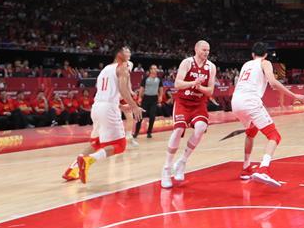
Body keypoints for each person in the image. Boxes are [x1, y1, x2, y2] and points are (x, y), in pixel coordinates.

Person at [232, 42, 304, 187]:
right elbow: (273, 83)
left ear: (252, 54)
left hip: (236, 102)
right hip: (250, 101)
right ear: (266, 54)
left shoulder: (246, 65)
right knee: (274, 136)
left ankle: (246, 168)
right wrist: (294, 96)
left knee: (250, 132)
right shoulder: (265, 63)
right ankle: (263, 169)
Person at [62, 46, 142, 183]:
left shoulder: (105, 69)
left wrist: (120, 106)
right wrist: (134, 106)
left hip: (97, 107)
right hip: (108, 109)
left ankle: (72, 170)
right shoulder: (123, 67)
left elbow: (104, 93)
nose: (129, 53)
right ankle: (88, 160)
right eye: (126, 51)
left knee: (96, 143)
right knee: (120, 145)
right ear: (119, 54)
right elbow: (123, 89)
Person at [161, 41, 216, 189]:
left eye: (208, 50)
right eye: (204, 50)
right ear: (196, 49)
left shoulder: (211, 67)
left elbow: (210, 91)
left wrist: (200, 87)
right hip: (183, 102)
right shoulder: (187, 63)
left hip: (199, 103)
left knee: (201, 127)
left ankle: (182, 161)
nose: (206, 52)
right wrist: (193, 83)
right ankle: (166, 168)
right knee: (178, 129)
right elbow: (177, 84)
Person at [134, 65, 163, 139]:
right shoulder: (146, 78)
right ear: (150, 70)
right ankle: (136, 133)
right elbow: (141, 88)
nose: (155, 70)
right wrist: (140, 97)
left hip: (154, 99)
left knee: (152, 116)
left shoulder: (159, 79)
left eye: (156, 69)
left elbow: (161, 88)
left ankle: (149, 132)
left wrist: (160, 96)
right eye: (153, 69)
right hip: (146, 98)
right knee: (141, 116)